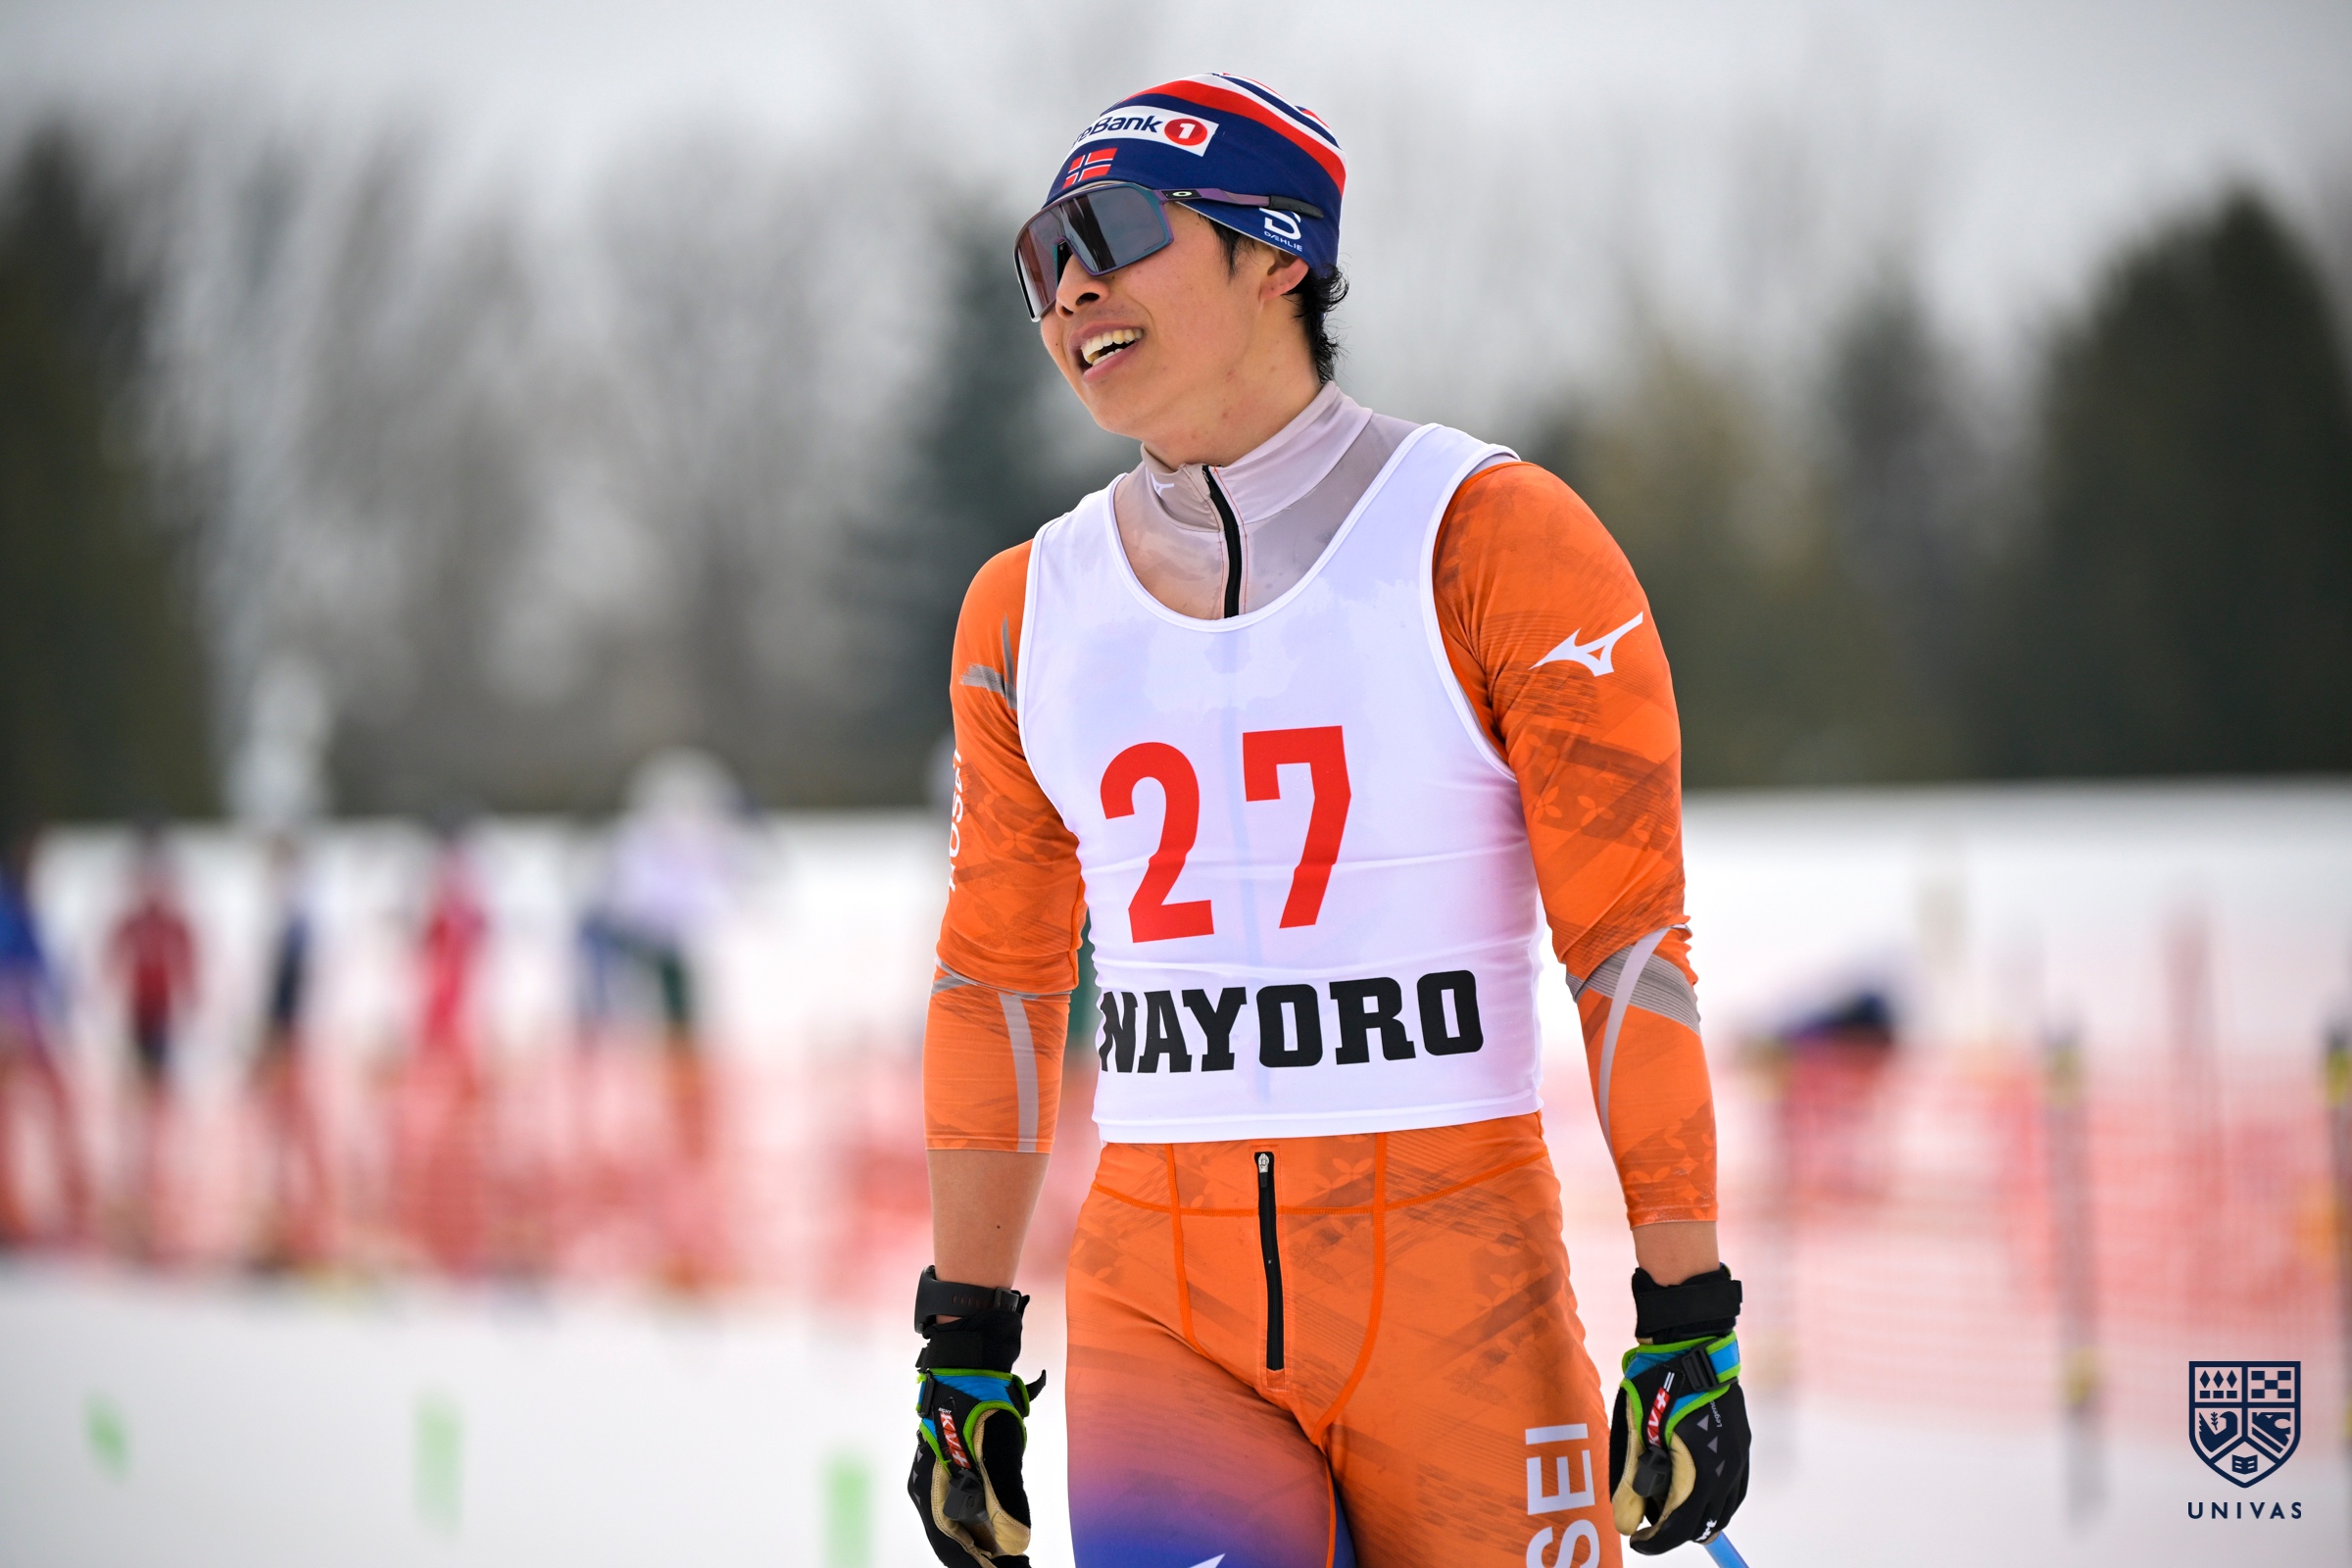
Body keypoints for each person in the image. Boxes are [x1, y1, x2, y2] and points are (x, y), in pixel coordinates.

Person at [908, 76, 1749, 1568]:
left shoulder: (1492, 535)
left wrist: (1687, 1311)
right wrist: (962, 1346)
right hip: (1163, 1318)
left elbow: (1628, 947)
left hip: (1458, 1296)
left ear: (1276, 250)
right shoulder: (1023, 610)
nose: (1072, 288)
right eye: (1043, 257)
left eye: (1113, 231)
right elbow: (997, 986)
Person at [106, 825, 200, 1258]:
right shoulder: (136, 917)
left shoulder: (168, 918)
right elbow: (111, 960)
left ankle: (159, 1213)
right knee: (137, 1116)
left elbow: (188, 962)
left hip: (161, 1020)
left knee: (157, 1114)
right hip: (138, 1018)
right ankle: (138, 1213)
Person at [0, 824, 90, 1247]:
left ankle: (57, 1206)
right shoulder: (10, 905)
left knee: (45, 1112)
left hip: (30, 1023)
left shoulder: (25, 904)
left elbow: (43, 967)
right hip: (16, 1024)